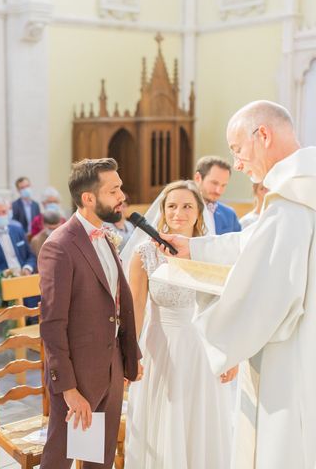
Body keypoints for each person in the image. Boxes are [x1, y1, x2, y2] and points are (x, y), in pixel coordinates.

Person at [158, 100, 316, 469]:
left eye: (238, 150)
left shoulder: (292, 200)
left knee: (287, 442)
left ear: (263, 136)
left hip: (293, 352)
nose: (239, 163)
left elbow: (267, 289)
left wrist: (219, 328)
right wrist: (195, 248)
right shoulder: (300, 190)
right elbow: (256, 243)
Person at [122, 180, 234, 469]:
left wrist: (231, 354)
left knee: (199, 422)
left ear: (199, 213)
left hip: (201, 350)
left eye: (187, 206)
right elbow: (135, 306)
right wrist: (128, 353)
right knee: (163, 421)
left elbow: (222, 306)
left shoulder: (210, 252)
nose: (178, 213)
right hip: (161, 347)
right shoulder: (144, 254)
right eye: (172, 206)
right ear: (162, 210)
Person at [38, 158, 141, 469]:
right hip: (77, 376)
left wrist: (129, 355)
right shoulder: (60, 246)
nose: (122, 195)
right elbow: (52, 325)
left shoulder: (104, 235)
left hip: (109, 368)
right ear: (88, 198)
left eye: (120, 188)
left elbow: (116, 303)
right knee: (60, 460)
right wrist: (68, 389)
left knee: (100, 461)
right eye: (114, 190)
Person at [194, 156, 241, 234]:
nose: (219, 191)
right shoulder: (181, 210)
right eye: (214, 183)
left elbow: (240, 244)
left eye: (223, 185)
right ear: (198, 178)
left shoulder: (229, 215)